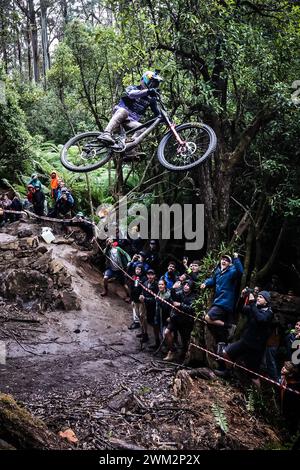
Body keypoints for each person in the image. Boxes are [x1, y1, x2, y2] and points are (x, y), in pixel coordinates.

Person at [98, 70, 163, 156]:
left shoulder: (151, 98)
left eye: (155, 84)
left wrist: (166, 119)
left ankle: (128, 149)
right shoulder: (133, 88)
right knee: (123, 111)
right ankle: (106, 133)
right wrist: (147, 91)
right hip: (120, 115)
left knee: (142, 128)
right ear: (145, 80)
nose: (153, 86)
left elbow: (157, 114)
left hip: (131, 122)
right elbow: (131, 94)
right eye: (152, 83)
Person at [219, 291, 273, 387]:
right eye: (258, 296)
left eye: (261, 297)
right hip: (245, 341)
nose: (258, 298)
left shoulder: (269, 313)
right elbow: (239, 309)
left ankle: (258, 398)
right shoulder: (254, 308)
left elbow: (260, 319)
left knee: (253, 375)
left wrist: (252, 303)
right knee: (226, 353)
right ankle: (228, 372)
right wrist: (242, 297)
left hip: (256, 348)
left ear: (266, 301)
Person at [201, 253, 243, 344]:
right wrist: (205, 283)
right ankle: (223, 343)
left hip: (225, 302)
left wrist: (236, 258)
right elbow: (212, 281)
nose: (224, 261)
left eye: (226, 260)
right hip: (218, 301)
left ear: (230, 264)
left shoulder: (231, 272)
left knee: (208, 318)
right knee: (214, 326)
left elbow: (240, 271)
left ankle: (230, 327)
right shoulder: (218, 273)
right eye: (223, 259)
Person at [164, 279, 196, 362]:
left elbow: (192, 308)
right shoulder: (180, 293)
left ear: (191, 287)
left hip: (185, 321)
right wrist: (173, 289)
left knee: (185, 340)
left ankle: (183, 356)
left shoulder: (194, 296)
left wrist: (180, 305)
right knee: (166, 333)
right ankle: (172, 351)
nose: (186, 286)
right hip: (175, 318)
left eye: (188, 285)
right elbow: (173, 298)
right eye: (185, 284)